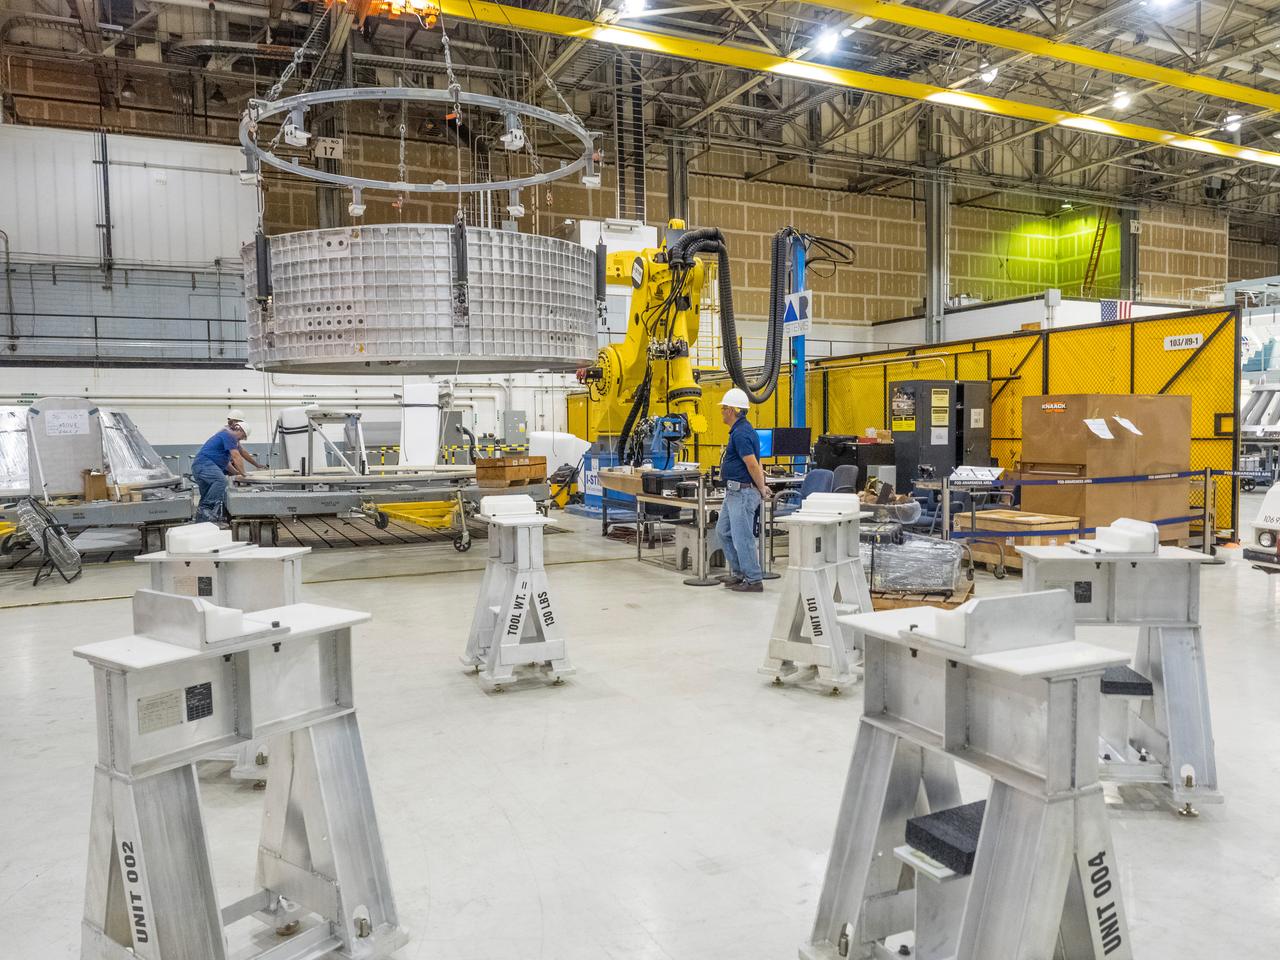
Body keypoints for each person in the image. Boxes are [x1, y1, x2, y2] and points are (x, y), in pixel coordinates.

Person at [714, 387, 771, 592]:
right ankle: (739, 574)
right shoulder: (741, 431)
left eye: (724, 409)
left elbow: (753, 465)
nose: (721, 412)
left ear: (732, 410)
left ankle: (754, 580)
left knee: (742, 537)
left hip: (742, 493)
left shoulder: (741, 433)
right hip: (734, 493)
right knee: (723, 532)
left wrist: (762, 488)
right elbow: (757, 461)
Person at [191, 420, 249, 523]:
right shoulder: (230, 435)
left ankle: (201, 523)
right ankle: (207, 513)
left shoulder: (224, 437)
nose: (241, 439)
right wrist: (244, 474)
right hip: (204, 464)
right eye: (243, 436)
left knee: (205, 497)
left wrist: (237, 473)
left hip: (199, 466)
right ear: (239, 430)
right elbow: (236, 456)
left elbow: (226, 464)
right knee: (221, 481)